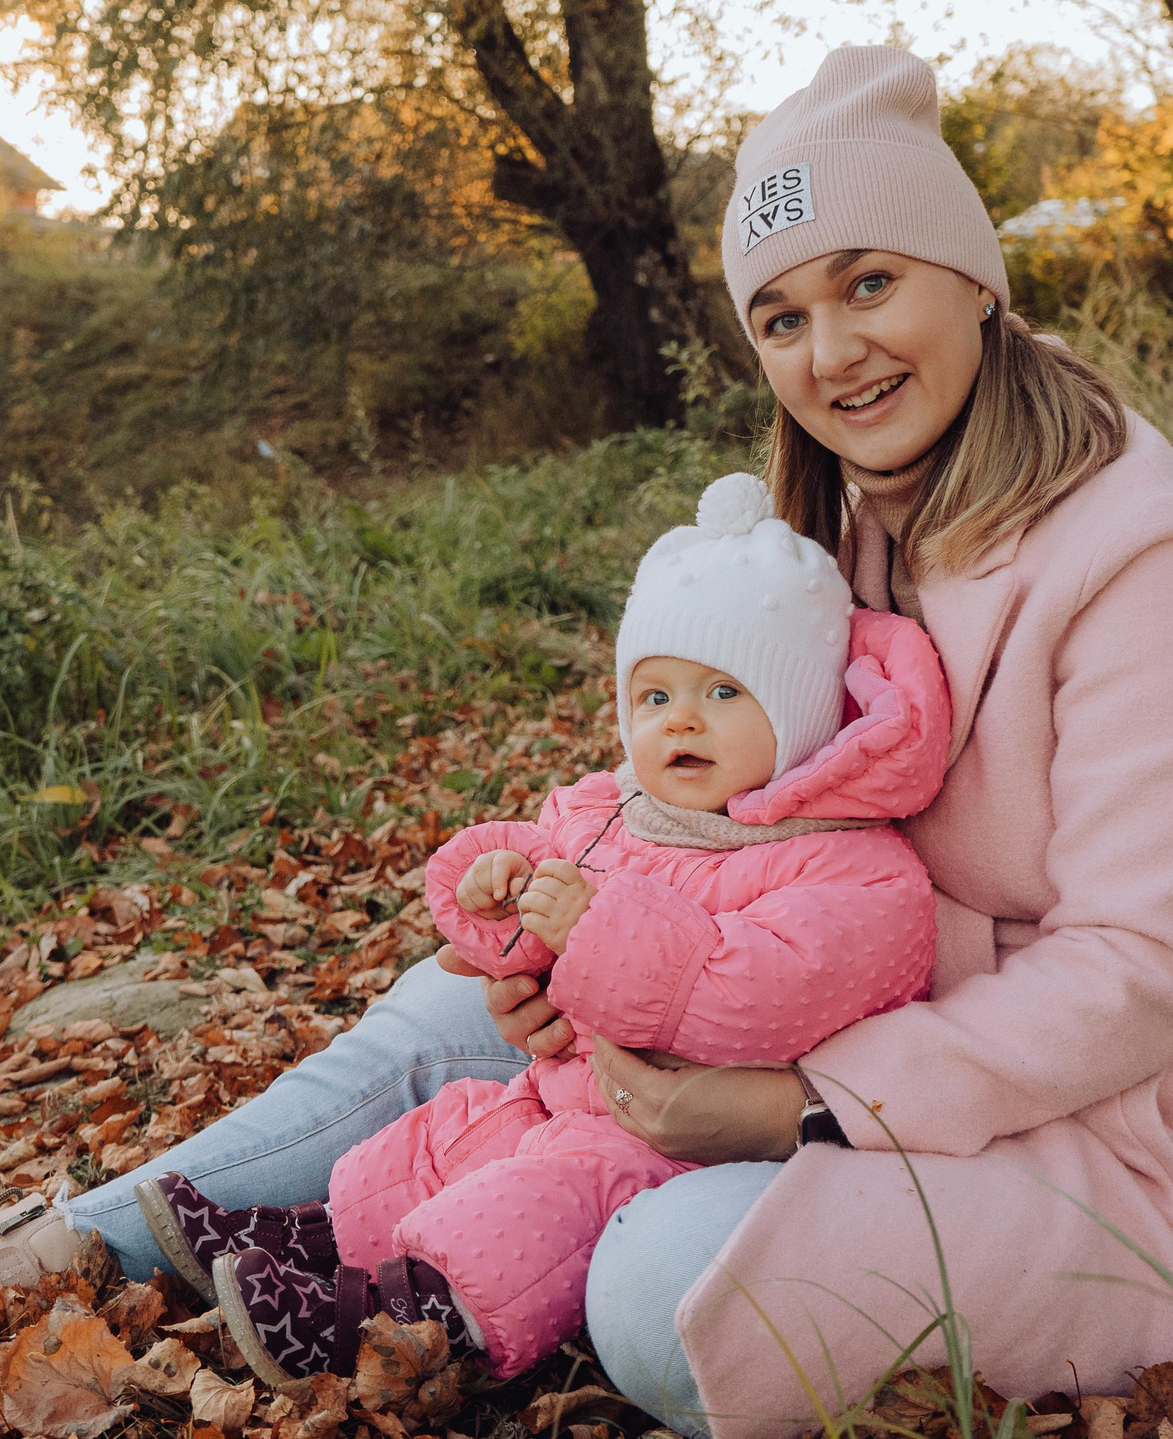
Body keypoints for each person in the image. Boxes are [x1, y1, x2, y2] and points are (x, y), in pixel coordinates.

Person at [0, 44, 1173, 1439]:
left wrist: (790, 1101)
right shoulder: (853, 525)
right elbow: (735, 806)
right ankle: (67, 1249)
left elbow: (1140, 972)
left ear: (976, 278)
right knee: (441, 1015)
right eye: (780, 315)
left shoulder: (1149, 557)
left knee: (653, 1295)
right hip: (822, 1010)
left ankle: (443, 1257)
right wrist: (580, 931)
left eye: (872, 283)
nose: (832, 351)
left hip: (1114, 1140)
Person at [145, 474, 946, 1385]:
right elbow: (536, 928)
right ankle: (327, 1244)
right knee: (450, 1135)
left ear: (801, 715)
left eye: (724, 691)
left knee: (536, 1202)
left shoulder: (850, 865)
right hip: (564, 1089)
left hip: (672, 1136)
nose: (681, 717)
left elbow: (761, 996)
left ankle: (399, 1331)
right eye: (655, 696)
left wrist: (596, 926)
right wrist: (498, 901)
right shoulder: (626, 810)